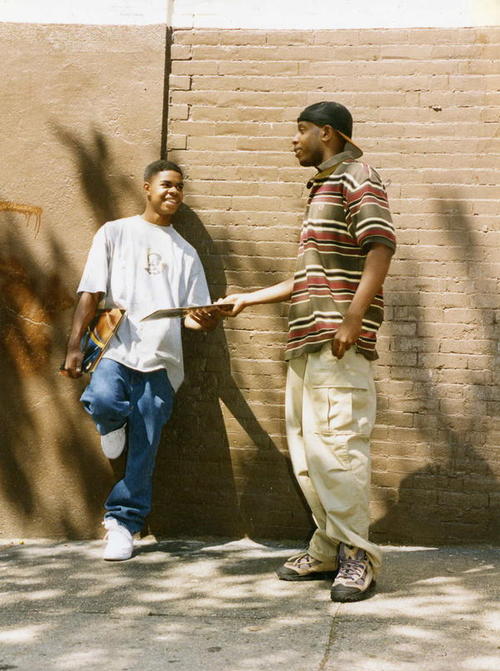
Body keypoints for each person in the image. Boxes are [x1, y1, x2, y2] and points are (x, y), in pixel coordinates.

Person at [219, 102, 396, 602]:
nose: (293, 140)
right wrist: (247, 298)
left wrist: (353, 317)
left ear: (328, 133)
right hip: (306, 341)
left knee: (337, 450)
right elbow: (307, 277)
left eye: (301, 131)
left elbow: (381, 246)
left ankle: (358, 556)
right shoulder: (321, 187)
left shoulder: (357, 175)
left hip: (338, 342)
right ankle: (327, 547)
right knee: (308, 457)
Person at [63, 159, 219, 561]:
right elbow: (91, 293)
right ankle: (112, 424)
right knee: (102, 400)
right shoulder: (115, 232)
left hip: (163, 359)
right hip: (115, 349)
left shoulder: (186, 252)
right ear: (147, 187)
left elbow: (193, 318)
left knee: (145, 448)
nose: (174, 192)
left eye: (180, 187)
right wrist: (74, 345)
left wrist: (204, 319)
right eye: (166, 184)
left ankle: (123, 523)